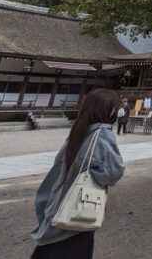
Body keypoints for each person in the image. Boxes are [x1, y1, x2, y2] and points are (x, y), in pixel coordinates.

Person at [30, 89, 125, 258]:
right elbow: (111, 173)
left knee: (53, 247)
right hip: (79, 205)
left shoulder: (78, 131)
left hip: (59, 201)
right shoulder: (102, 134)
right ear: (108, 109)